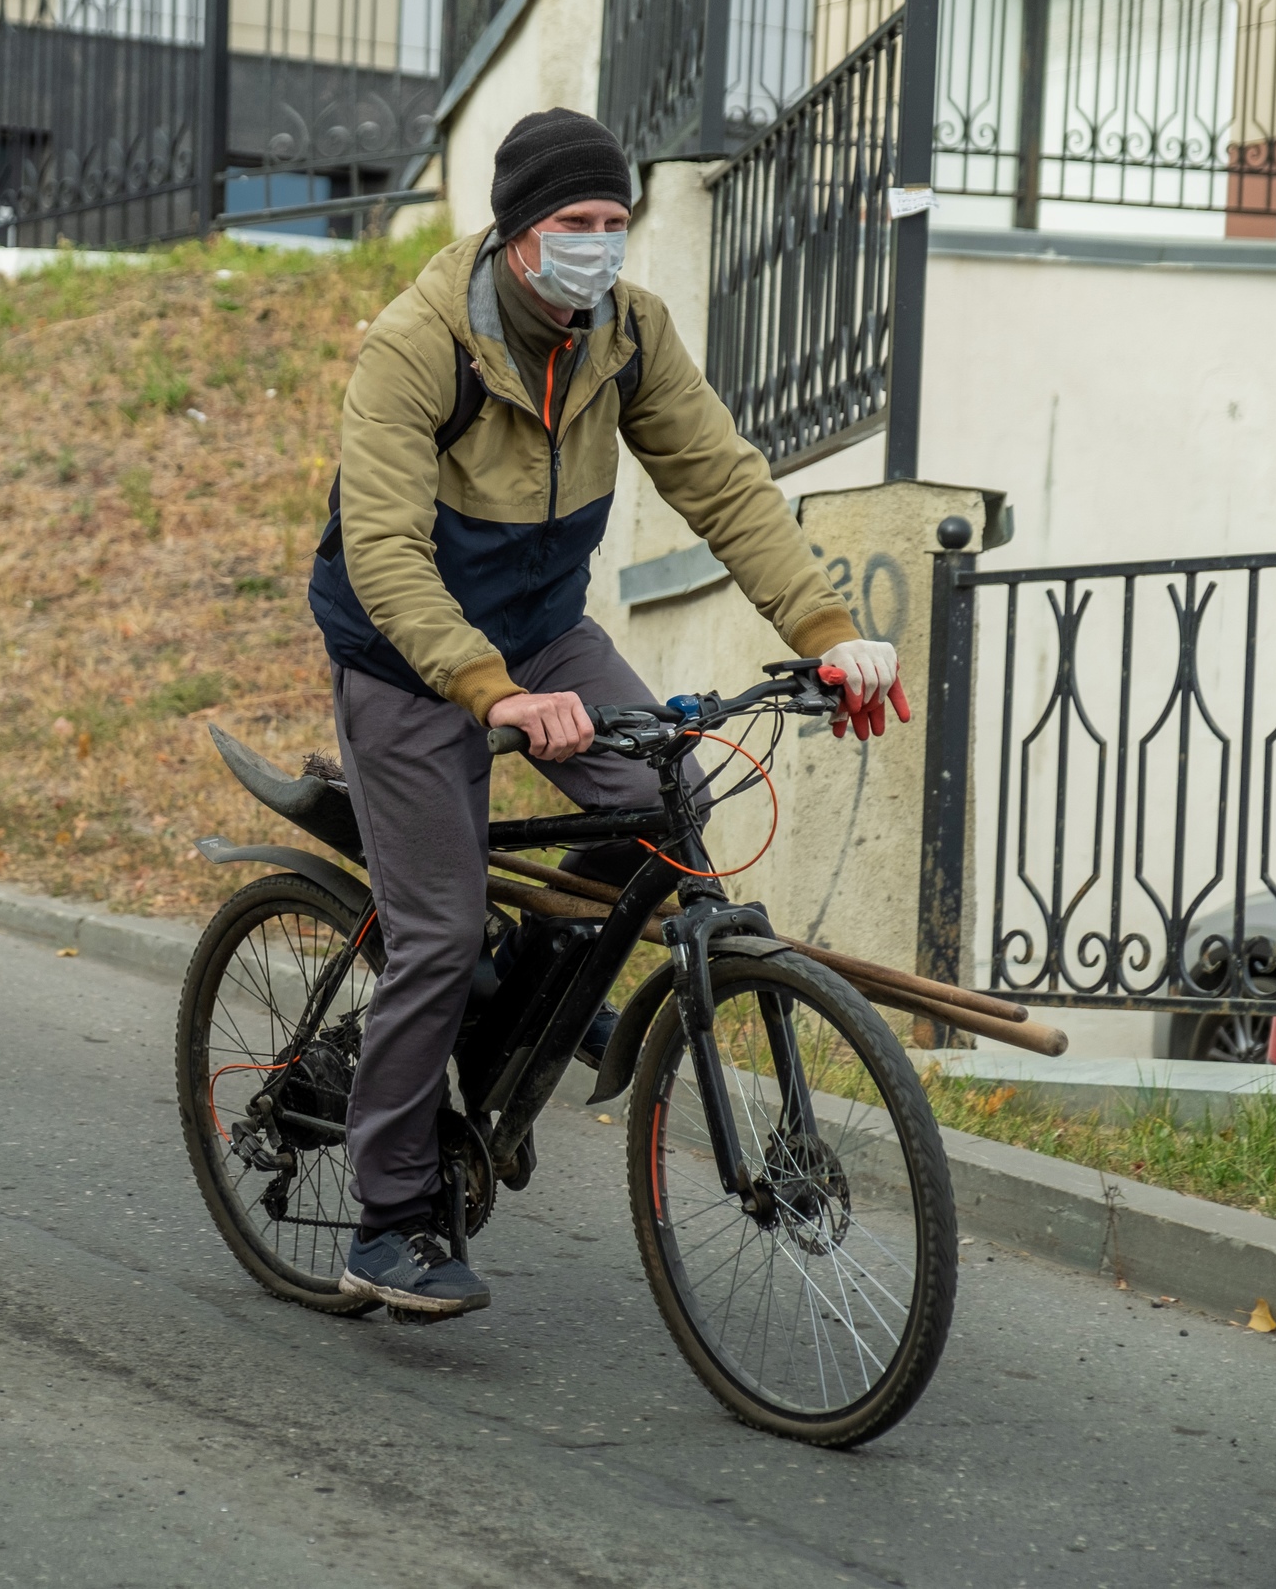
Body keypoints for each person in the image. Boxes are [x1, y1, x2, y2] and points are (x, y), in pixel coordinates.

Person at [308, 109, 903, 1319]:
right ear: (517, 232)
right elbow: (381, 549)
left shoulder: (625, 336)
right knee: (434, 931)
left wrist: (829, 637)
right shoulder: (418, 343)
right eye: (574, 225)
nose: (598, 247)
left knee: (664, 798)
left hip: (542, 629)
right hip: (405, 653)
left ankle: (528, 993)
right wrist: (494, 695)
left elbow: (725, 484)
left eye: (614, 224)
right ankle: (385, 1219)